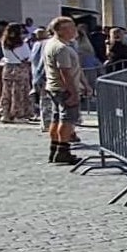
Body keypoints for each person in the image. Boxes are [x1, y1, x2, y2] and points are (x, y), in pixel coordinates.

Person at [43, 17, 90, 165]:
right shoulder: (61, 48)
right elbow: (65, 72)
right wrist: (74, 92)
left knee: (57, 118)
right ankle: (63, 150)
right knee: (67, 119)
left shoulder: (53, 44)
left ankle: (55, 148)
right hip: (63, 88)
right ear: (60, 31)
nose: (74, 30)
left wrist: (85, 84)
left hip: (54, 87)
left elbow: (75, 69)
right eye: (70, 28)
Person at [0, 23, 33, 122]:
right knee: (19, 92)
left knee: (6, 91)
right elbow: (28, 56)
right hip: (20, 68)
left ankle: (5, 113)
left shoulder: (4, 42)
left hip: (8, 67)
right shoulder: (22, 44)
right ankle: (17, 114)